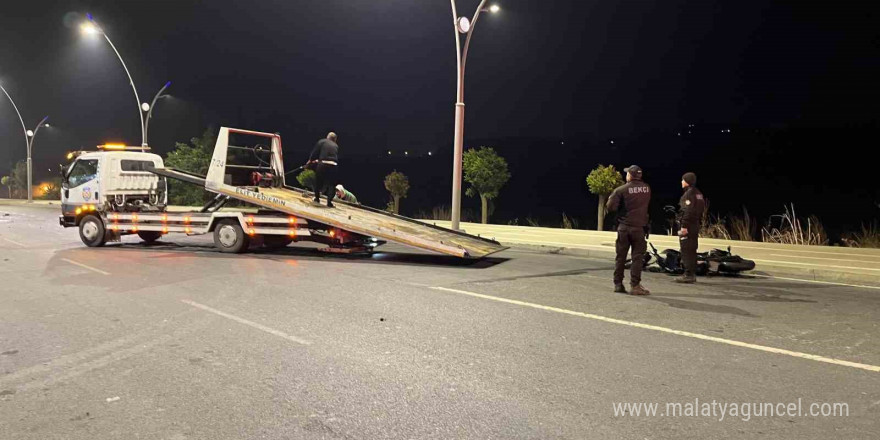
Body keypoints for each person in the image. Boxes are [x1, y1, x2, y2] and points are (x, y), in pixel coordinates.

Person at [605, 165, 652, 295]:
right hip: (639, 228)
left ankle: (618, 284)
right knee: (637, 257)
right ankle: (635, 285)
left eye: (627, 174)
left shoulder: (620, 190)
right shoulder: (647, 188)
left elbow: (610, 208)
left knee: (621, 257)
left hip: (624, 228)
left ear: (630, 176)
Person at [676, 172, 706, 283]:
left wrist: (684, 226)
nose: (681, 182)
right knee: (693, 249)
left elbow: (687, 211)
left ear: (687, 181)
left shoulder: (688, 194)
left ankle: (688, 274)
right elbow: (700, 210)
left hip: (687, 226)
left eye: (683, 180)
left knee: (686, 249)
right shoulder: (699, 193)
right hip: (695, 225)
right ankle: (692, 273)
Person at [307, 132, 339, 208]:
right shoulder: (336, 146)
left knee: (318, 181)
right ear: (335, 140)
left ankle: (317, 198)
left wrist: (310, 160)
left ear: (327, 137)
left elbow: (315, 152)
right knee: (331, 185)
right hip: (334, 165)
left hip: (323, 165)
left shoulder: (322, 141)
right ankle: (329, 202)